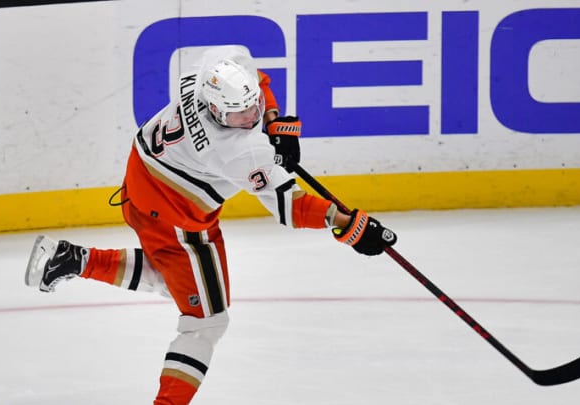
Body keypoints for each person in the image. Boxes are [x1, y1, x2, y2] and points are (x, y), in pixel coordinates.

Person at [24, 45, 397, 405]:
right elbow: (290, 207)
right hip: (175, 216)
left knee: (189, 283)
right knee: (207, 320)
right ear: (216, 111)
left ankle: (73, 260)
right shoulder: (235, 151)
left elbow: (257, 78)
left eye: (251, 108)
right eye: (239, 116)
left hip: (140, 181)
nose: (248, 118)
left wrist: (272, 118)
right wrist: (348, 225)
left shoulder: (210, 68)